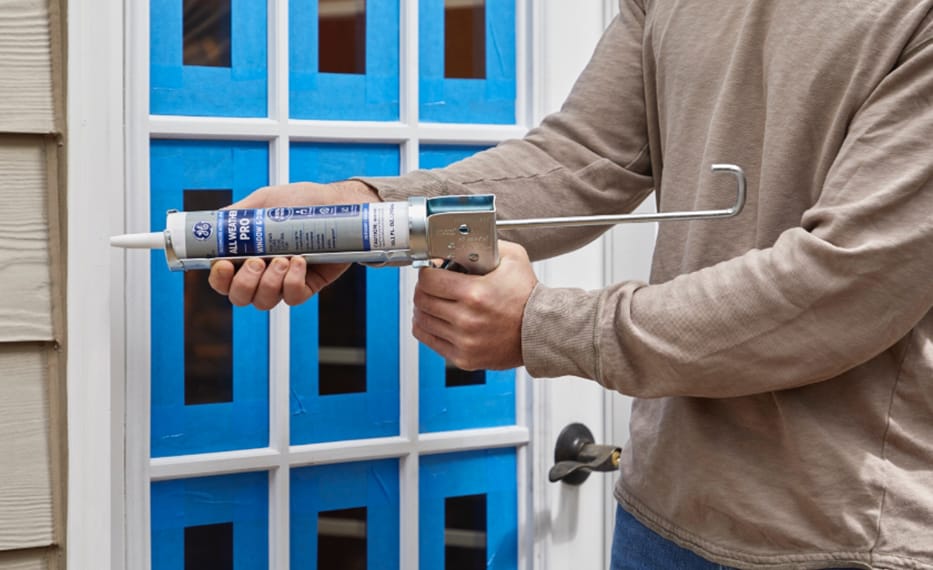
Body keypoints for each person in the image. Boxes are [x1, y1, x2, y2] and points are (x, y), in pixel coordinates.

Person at [209, 1, 933, 568]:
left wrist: (539, 323)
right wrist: (367, 214)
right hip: (664, 514)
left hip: (851, 538)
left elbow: (842, 282)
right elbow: (585, 159)